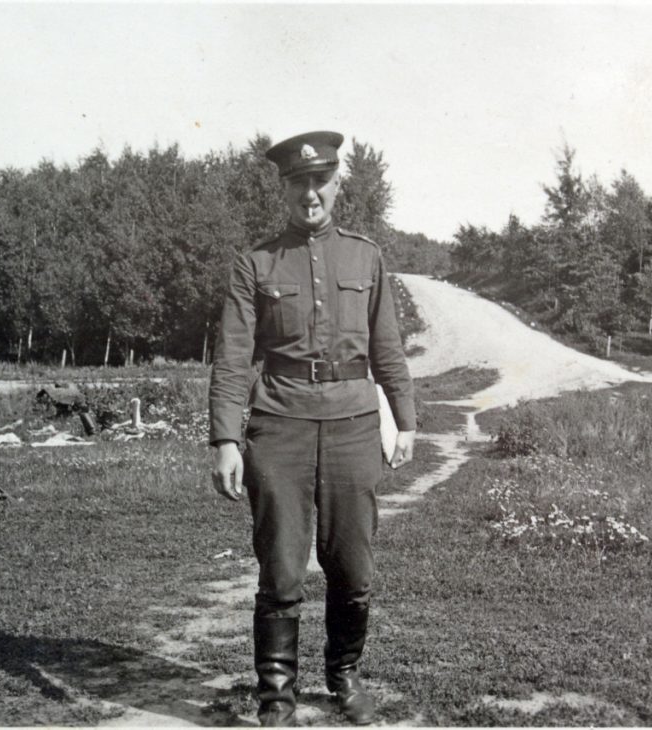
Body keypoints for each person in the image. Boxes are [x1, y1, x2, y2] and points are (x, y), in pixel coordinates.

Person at [209, 131, 417, 726]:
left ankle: (344, 676)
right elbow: (232, 358)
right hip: (279, 428)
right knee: (280, 568)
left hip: (353, 426)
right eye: (299, 182)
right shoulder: (256, 264)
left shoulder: (366, 257)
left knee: (353, 567)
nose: (310, 193)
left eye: (320, 180)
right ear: (285, 189)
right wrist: (226, 438)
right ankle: (277, 696)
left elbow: (388, 348)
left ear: (337, 185)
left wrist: (405, 420)